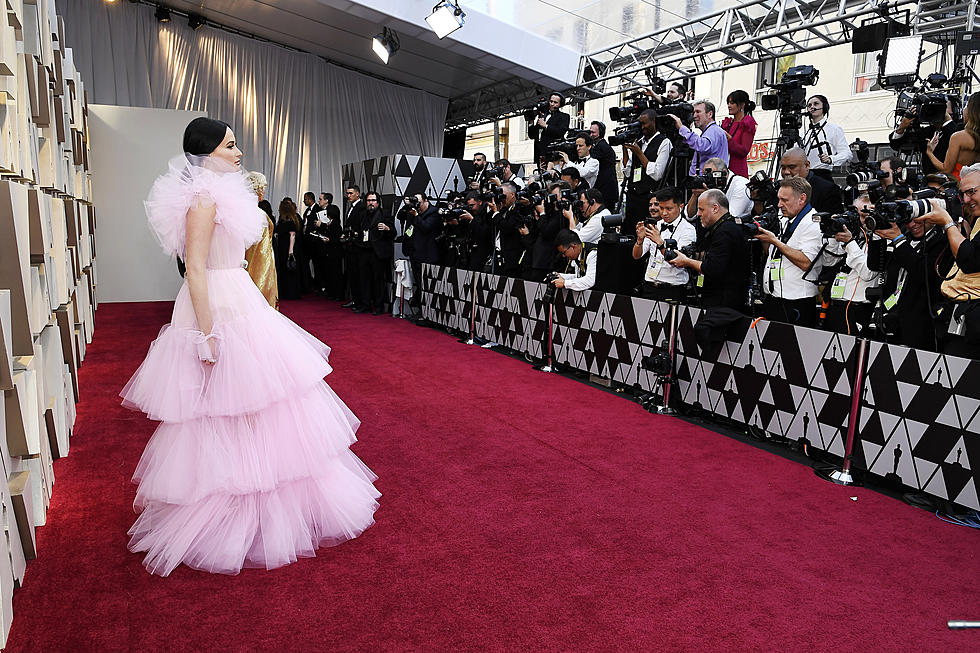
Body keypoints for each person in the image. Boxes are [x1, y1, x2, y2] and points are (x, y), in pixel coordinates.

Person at [122, 117, 379, 577]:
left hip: (240, 299)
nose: (238, 152)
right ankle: (229, 514)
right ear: (207, 153)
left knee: (263, 403)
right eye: (230, 145)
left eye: (236, 144)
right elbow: (195, 269)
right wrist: (205, 333)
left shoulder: (221, 195)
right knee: (224, 407)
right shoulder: (200, 200)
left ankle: (268, 509)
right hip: (218, 307)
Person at [667, 189, 751, 353]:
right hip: (723, 300)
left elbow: (712, 268)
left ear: (715, 208)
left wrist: (687, 261)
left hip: (725, 304)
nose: (698, 214)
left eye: (701, 209)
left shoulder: (725, 231)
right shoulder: (725, 228)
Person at [916, 162, 980, 356]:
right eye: (963, 194)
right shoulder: (977, 219)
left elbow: (970, 261)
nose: (966, 200)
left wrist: (947, 223)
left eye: (972, 192)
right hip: (963, 315)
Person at [753, 177, 824, 327]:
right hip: (775, 298)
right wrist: (763, 236)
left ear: (802, 199)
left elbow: (806, 262)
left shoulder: (812, 223)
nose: (779, 205)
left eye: (785, 200)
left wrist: (774, 241)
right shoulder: (786, 219)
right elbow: (771, 253)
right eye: (779, 199)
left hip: (797, 301)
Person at [820, 195, 881, 336]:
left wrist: (850, 243)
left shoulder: (878, 240)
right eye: (857, 215)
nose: (861, 221)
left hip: (857, 309)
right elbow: (828, 262)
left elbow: (868, 273)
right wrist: (833, 232)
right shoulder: (853, 236)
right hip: (835, 305)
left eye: (865, 216)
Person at [633, 190, 696, 302]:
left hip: (672, 289)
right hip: (649, 286)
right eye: (661, 208)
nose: (664, 213)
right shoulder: (656, 225)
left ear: (680, 207)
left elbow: (678, 260)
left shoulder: (688, 229)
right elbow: (636, 256)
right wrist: (640, 240)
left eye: (669, 208)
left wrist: (660, 243)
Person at [623, 108, 673, 235]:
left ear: (654, 122)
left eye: (645, 123)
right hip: (633, 197)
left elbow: (657, 174)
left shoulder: (664, 142)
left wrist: (639, 153)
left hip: (649, 199)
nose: (642, 127)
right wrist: (624, 149)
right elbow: (628, 172)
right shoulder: (638, 142)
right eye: (640, 124)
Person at [890, 96, 959, 174]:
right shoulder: (927, 132)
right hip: (929, 181)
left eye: (943, 110)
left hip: (951, 180)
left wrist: (948, 120)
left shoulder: (958, 130)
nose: (940, 114)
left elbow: (956, 135)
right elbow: (895, 145)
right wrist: (902, 127)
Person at [926, 92, 980, 180]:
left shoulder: (959, 137)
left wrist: (929, 152)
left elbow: (946, 169)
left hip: (959, 185)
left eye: (966, 105)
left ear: (971, 111)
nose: (964, 109)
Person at [244, 171, 278, 309]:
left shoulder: (240, 211)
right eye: (263, 187)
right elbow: (261, 246)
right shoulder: (258, 214)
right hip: (260, 260)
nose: (264, 191)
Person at [671, 100, 729, 175]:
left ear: (710, 114)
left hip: (710, 181)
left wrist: (682, 128)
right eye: (693, 112)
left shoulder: (714, 130)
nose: (694, 116)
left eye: (698, 112)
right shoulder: (709, 131)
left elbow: (702, 146)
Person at [779, 147, 844, 214]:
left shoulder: (827, 190)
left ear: (807, 165)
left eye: (792, 167)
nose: (786, 172)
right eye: (783, 168)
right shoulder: (778, 189)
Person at [802, 95, 852, 180]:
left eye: (816, 104)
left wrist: (831, 159)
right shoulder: (803, 132)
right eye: (809, 105)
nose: (812, 107)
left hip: (822, 175)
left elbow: (847, 154)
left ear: (824, 107)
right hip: (803, 176)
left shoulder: (834, 129)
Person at [526, 182, 567, 282]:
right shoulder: (550, 212)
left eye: (555, 195)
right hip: (538, 261)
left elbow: (547, 231)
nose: (552, 198)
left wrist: (542, 213)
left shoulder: (563, 214)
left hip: (549, 262)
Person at [686, 157, 753, 219]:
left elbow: (729, 217)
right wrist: (695, 195)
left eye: (712, 175)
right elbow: (690, 216)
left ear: (724, 173)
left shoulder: (741, 185)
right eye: (705, 175)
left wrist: (710, 196)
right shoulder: (708, 186)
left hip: (738, 228)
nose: (709, 179)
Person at [362, 191, 395, 315]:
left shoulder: (384, 214)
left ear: (378, 202)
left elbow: (393, 232)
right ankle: (366, 305)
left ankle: (379, 307)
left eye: (373, 200)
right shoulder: (363, 214)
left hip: (378, 253)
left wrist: (387, 228)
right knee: (365, 280)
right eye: (369, 200)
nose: (370, 203)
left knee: (378, 281)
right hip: (365, 251)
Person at [528, 92, 571, 168]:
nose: (552, 104)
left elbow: (560, 132)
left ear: (560, 104)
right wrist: (531, 122)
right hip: (538, 153)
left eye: (555, 102)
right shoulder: (543, 115)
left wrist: (546, 126)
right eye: (551, 101)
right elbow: (532, 135)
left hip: (552, 154)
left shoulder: (564, 116)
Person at [721, 90, 758, 178]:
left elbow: (744, 151)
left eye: (732, 103)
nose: (729, 106)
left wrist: (730, 140)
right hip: (724, 168)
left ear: (742, 105)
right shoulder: (728, 123)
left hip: (737, 170)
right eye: (728, 103)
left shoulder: (747, 123)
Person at [274, 197, 304, 300]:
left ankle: (290, 293)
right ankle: (287, 292)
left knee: (289, 269)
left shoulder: (288, 220)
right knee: (287, 269)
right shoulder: (287, 219)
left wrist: (290, 252)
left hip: (287, 248)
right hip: (284, 247)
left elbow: (292, 235)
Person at [318, 192, 345, 301]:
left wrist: (329, 240)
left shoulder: (335, 225)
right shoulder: (331, 223)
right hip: (331, 252)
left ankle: (337, 294)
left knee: (336, 274)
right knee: (331, 273)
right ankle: (333, 292)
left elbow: (337, 238)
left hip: (335, 252)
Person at [342, 185, 366, 308]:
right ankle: (355, 299)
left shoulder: (361, 207)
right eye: (347, 193)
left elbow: (359, 226)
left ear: (357, 193)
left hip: (357, 246)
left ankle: (359, 301)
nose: (348, 196)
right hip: (350, 246)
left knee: (357, 275)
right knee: (352, 275)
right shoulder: (350, 207)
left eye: (351, 193)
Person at [460, 190, 494, 271]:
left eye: (472, 205)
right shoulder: (470, 212)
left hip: (483, 253)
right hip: (470, 253)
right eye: (469, 206)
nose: (471, 208)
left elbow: (485, 232)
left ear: (480, 202)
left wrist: (472, 219)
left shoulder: (487, 213)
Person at [589, 121, 619, 208]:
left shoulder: (601, 147)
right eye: (590, 132)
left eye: (593, 132)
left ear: (601, 133)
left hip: (605, 191)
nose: (590, 135)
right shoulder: (600, 146)